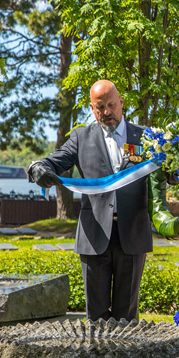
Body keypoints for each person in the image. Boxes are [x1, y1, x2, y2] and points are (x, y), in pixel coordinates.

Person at [27, 79, 151, 322]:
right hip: (94, 235)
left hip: (133, 233)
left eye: (112, 105)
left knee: (127, 316)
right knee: (96, 317)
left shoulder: (146, 137)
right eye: (100, 107)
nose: (107, 112)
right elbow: (53, 161)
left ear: (122, 103)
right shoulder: (80, 138)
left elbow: (166, 173)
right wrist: (37, 168)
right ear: (92, 109)